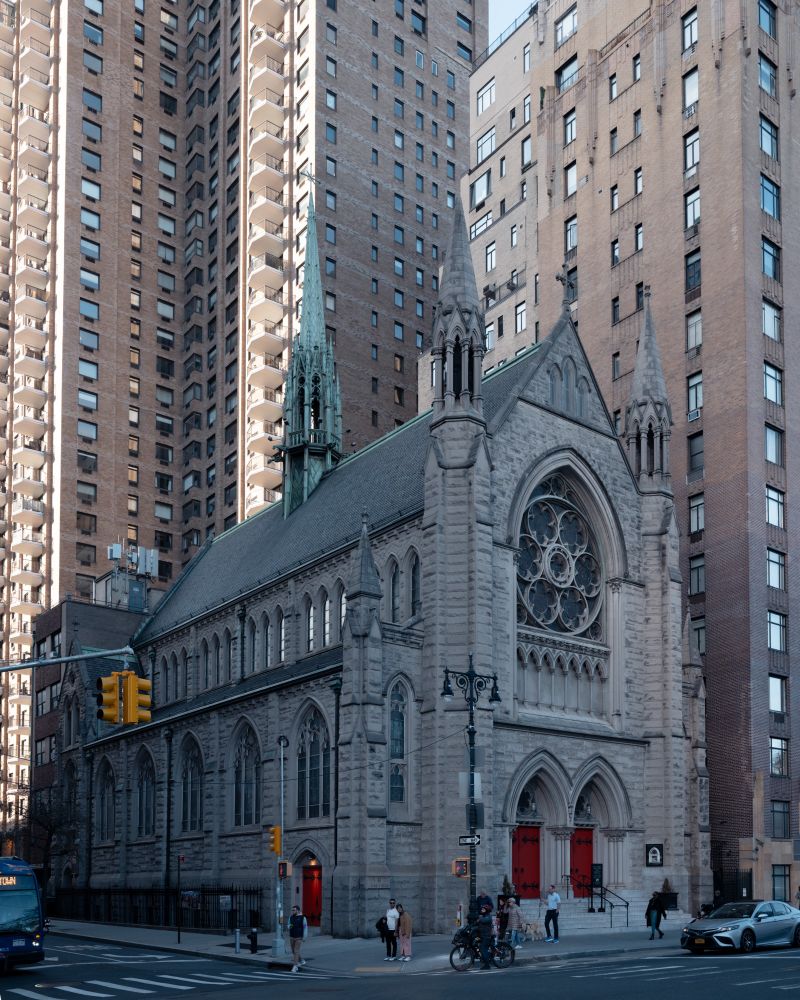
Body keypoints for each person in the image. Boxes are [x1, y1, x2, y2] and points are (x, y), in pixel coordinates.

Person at [288, 904, 307, 973]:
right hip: (292, 936)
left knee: (296, 951)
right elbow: (288, 925)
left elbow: (305, 928)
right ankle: (301, 960)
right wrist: (289, 926)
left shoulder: (303, 918)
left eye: (294, 910)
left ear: (298, 910)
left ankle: (295, 966)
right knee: (294, 951)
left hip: (299, 937)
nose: (292, 911)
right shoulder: (291, 917)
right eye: (292, 910)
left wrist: (304, 937)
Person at [477, 903, 494, 970]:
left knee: (483, 949)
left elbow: (484, 920)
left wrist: (479, 919)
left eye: (483, 909)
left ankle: (487, 965)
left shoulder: (488, 916)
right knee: (481, 947)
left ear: (487, 910)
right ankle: (485, 958)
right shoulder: (483, 916)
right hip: (482, 935)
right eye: (482, 909)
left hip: (487, 936)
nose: (482, 910)